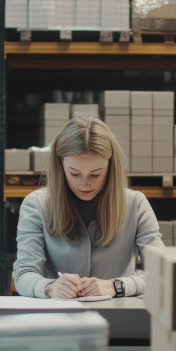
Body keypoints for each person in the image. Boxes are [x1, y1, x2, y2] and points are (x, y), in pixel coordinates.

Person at [13, 116, 165, 299]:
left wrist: (117, 286)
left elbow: (162, 273)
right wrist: (49, 287)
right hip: (57, 316)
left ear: (111, 167)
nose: (85, 183)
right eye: (75, 173)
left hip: (119, 317)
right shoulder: (36, 205)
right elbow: (23, 275)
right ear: (60, 166)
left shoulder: (136, 204)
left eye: (96, 174)